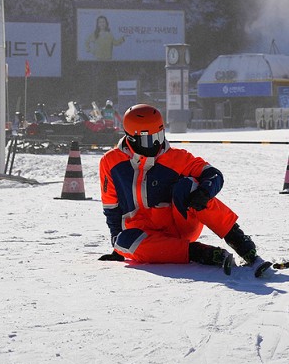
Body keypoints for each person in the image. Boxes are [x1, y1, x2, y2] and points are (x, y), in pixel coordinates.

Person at [97, 103, 270, 275]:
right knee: (122, 242)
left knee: (187, 186)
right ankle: (201, 253)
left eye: (159, 135)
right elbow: (111, 207)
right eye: (150, 139)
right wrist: (118, 247)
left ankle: (241, 243)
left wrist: (204, 193)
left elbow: (214, 175)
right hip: (147, 237)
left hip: (180, 226)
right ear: (131, 138)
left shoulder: (177, 158)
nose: (157, 144)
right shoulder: (110, 162)